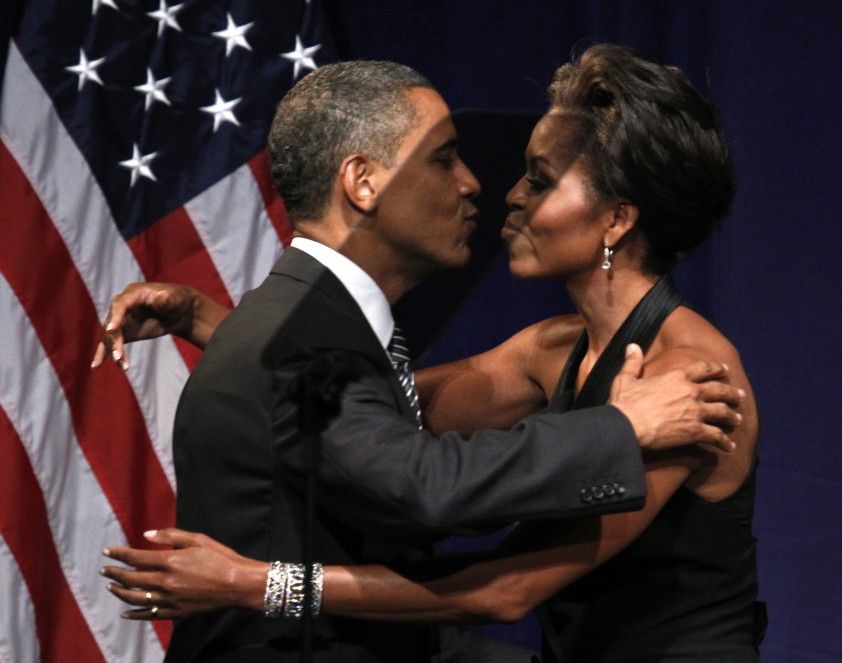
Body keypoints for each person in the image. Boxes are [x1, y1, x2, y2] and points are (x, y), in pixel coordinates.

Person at [97, 57, 746, 662]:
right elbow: (387, 412)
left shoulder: (686, 382)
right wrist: (237, 336)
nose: (506, 193)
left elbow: (502, 590)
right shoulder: (552, 348)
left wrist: (262, 583)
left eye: (540, 180)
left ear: (615, 219)